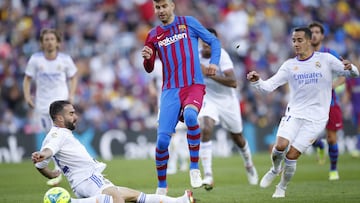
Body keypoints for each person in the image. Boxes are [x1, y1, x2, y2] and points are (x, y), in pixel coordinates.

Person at [247, 27, 359, 198]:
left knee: (292, 155)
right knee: (280, 147)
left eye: (299, 40)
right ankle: (275, 169)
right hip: (295, 114)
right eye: (294, 40)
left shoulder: (326, 60)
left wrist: (350, 68)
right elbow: (268, 87)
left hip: (317, 119)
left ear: (308, 41)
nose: (296, 44)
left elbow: (353, 74)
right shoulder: (290, 65)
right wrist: (257, 81)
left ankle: (281, 187)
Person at [32, 100, 195, 203]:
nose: (75, 116)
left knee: (134, 196)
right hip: (88, 178)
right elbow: (48, 151)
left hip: (84, 180)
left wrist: (51, 173)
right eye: (71, 113)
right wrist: (44, 154)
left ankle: (181, 201)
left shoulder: (55, 135)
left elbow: (41, 164)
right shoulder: (58, 134)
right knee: (116, 198)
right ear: (60, 118)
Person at [141, 0, 221, 195]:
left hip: (193, 84)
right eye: (157, 7)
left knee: (192, 117)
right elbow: (150, 68)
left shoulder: (189, 23)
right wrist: (147, 57)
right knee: (161, 143)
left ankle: (194, 168)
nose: (160, 10)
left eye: (164, 6)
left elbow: (214, 41)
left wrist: (214, 62)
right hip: (170, 91)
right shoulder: (153, 35)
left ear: (172, 6)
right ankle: (161, 186)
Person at [198, 28, 258, 190]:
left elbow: (233, 82)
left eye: (210, 43)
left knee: (237, 137)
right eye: (204, 42)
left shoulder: (222, 56)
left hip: (227, 101)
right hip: (208, 98)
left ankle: (249, 164)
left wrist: (209, 74)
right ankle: (208, 175)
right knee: (206, 127)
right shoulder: (195, 57)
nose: (206, 46)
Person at [23, 28, 78, 186]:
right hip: (43, 106)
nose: (49, 42)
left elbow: (73, 77)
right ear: (42, 43)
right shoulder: (35, 60)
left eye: (52, 39)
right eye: (46, 39)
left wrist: (72, 94)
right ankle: (57, 168)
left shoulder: (65, 60)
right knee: (51, 135)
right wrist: (27, 96)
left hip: (61, 105)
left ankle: (58, 169)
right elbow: (27, 79)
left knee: (62, 134)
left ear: (58, 42)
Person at [309, 21, 345, 180]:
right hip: (310, 104)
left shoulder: (331, 54)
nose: (315, 34)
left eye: (317, 32)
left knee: (332, 138)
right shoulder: (302, 56)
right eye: (312, 32)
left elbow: (344, 75)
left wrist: (333, 85)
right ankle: (318, 146)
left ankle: (333, 170)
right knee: (308, 137)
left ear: (322, 36)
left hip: (330, 103)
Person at [148, 58, 189, 175]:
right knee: (171, 136)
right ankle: (181, 162)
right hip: (162, 104)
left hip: (175, 103)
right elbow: (152, 82)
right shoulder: (156, 64)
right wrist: (152, 91)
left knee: (172, 136)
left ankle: (173, 165)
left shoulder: (176, 60)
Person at [345, 77, 360, 157]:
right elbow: (348, 94)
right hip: (356, 109)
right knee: (358, 129)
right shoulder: (351, 79)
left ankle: (357, 148)